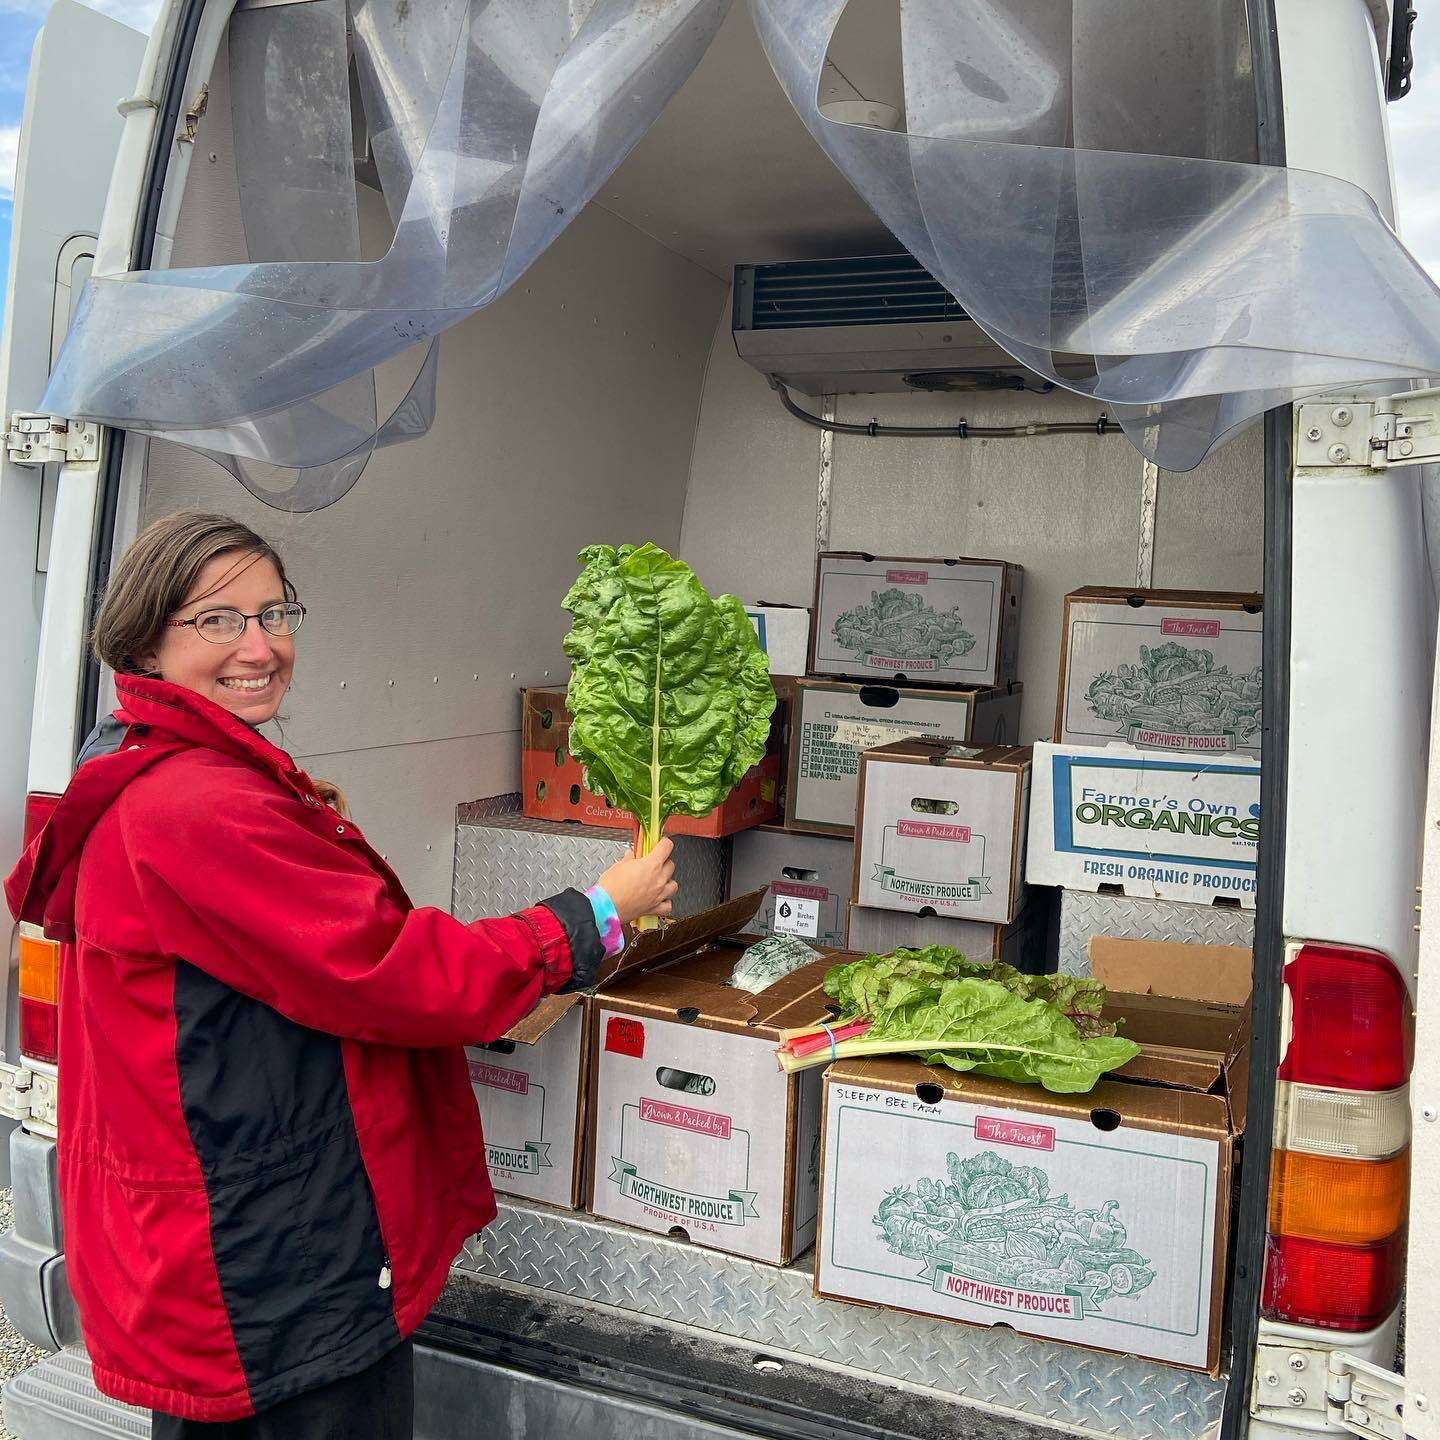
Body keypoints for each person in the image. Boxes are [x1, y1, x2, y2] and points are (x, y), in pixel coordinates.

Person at [4, 512, 676, 1438]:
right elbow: (397, 977)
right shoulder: (195, 806)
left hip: (228, 1234)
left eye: (275, 613)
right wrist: (592, 915)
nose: (260, 645)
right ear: (145, 643)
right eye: (218, 620)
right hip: (268, 1258)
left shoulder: (148, 761)